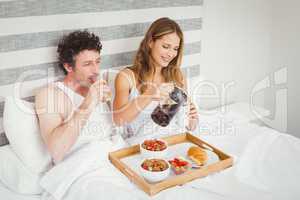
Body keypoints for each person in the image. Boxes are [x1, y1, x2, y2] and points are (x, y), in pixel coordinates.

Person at [113, 17, 199, 141]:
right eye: (166, 46)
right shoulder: (126, 77)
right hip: (144, 146)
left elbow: (189, 124)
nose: (171, 54)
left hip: (176, 140)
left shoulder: (177, 75)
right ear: (150, 42)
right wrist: (149, 94)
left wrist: (192, 118)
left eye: (175, 49)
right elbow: (118, 120)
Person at [35, 30, 114, 164]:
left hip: (115, 157)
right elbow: (56, 151)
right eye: (87, 64)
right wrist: (88, 103)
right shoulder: (50, 95)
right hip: (82, 168)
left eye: (97, 62)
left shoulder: (99, 87)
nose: (96, 70)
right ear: (68, 67)